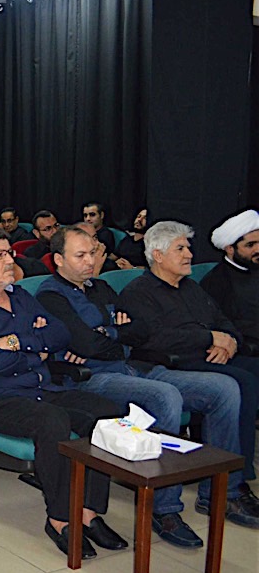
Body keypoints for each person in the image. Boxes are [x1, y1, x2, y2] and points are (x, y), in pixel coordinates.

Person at [37, 226, 256, 539]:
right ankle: (164, 509)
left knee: (224, 389)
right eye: (80, 255)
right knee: (164, 396)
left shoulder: (100, 287)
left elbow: (140, 330)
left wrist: (108, 334)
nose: (90, 261)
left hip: (135, 366)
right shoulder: (50, 296)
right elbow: (87, 344)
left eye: (92, 253)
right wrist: (114, 335)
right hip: (92, 378)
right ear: (59, 259)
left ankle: (223, 493)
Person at [0, 227, 126, 559]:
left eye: (10, 253)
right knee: (52, 421)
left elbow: (60, 335)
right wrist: (34, 350)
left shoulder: (21, 297)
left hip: (40, 388)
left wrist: (15, 342)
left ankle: (89, 511)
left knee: (107, 414)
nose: (9, 260)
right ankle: (59, 519)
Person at [117, 221, 259, 484]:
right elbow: (156, 339)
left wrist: (229, 341)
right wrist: (210, 338)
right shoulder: (138, 293)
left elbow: (223, 320)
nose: (190, 255)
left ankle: (236, 469)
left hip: (210, 355)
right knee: (242, 382)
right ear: (158, 255)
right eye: (180, 249)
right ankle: (231, 479)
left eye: (188, 248)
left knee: (253, 371)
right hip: (175, 364)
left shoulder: (192, 288)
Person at [201, 209, 259, 353]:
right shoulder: (216, 281)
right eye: (250, 245)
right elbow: (223, 323)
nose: (258, 249)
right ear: (230, 249)